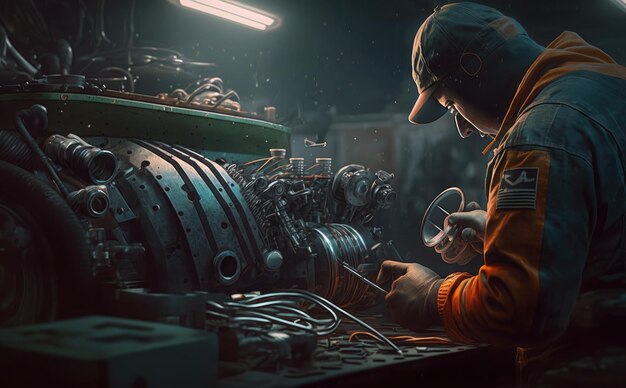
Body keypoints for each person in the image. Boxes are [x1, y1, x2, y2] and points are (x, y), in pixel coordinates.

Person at [376, 1, 626, 382]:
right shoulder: (606, 84)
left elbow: (517, 311)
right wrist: (505, 229)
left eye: (452, 104)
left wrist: (431, 297)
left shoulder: (538, 136)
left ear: (475, 68)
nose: (461, 127)